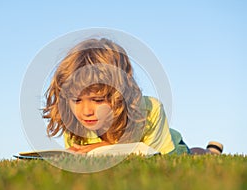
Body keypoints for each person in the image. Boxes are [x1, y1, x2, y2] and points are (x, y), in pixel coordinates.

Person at [43, 38, 222, 155]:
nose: (86, 111)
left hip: (170, 145)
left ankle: (211, 152)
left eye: (97, 100)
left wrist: (108, 148)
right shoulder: (75, 124)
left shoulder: (151, 111)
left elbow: (160, 157)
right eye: (76, 100)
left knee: (192, 154)